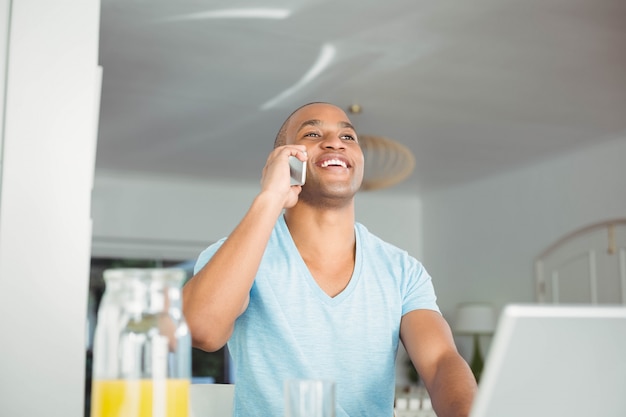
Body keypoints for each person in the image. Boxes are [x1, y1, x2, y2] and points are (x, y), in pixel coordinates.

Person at [182, 102, 477, 416]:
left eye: (348, 137)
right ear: (284, 160)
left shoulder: (403, 270)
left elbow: (441, 361)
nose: (336, 142)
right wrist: (271, 197)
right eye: (312, 133)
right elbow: (202, 330)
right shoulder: (235, 254)